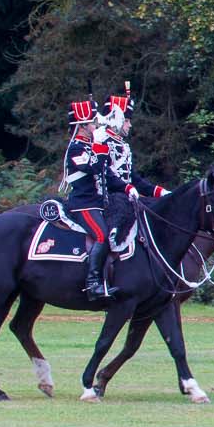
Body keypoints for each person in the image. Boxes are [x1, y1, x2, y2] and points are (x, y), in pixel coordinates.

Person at [62, 84, 164, 298]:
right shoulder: (76, 148)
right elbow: (93, 167)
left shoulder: (92, 145)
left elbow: (107, 174)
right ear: (82, 126)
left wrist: (128, 186)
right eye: (91, 122)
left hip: (98, 202)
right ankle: (93, 285)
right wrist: (100, 146)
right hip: (83, 204)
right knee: (101, 236)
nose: (94, 124)